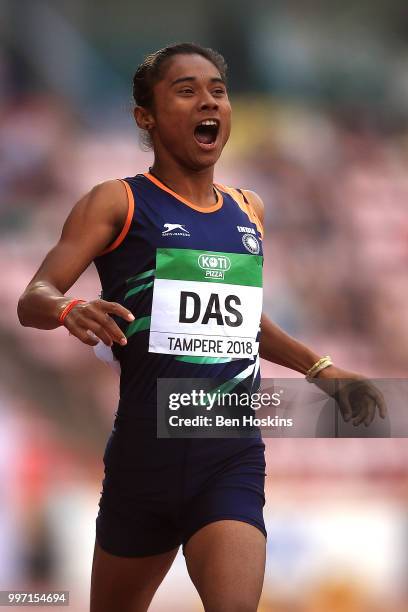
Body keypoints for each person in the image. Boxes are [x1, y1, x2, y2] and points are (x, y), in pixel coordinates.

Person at [17, 43, 386, 612]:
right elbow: (34, 296)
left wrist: (322, 368)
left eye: (217, 89)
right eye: (185, 91)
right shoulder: (118, 202)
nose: (207, 101)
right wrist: (69, 310)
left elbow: (243, 321)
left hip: (229, 457)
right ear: (146, 116)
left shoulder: (248, 209)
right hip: (143, 461)